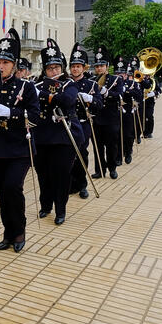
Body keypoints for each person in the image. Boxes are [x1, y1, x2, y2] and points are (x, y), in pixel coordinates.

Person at [0, 29, 38, 252]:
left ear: (14, 65)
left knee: (13, 187)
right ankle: (7, 232)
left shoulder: (26, 87)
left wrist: (12, 113)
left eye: (5, 62)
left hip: (19, 149)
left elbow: (35, 117)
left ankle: (19, 231)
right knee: (2, 192)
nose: (0, 66)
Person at [30, 38, 79, 224]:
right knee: (43, 174)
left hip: (62, 138)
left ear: (62, 68)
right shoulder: (35, 84)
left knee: (61, 176)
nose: (54, 72)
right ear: (45, 70)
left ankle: (61, 210)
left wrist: (44, 96)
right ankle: (45, 206)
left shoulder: (69, 84)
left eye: (57, 68)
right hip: (41, 137)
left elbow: (67, 101)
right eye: (50, 69)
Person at [66, 44, 102, 199]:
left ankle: (82, 185)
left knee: (81, 154)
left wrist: (91, 98)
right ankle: (71, 184)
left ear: (84, 68)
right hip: (66, 124)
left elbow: (99, 105)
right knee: (68, 155)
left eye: (78, 66)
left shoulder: (91, 85)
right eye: (73, 66)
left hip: (82, 123)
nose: (75, 69)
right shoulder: (65, 83)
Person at [90, 46, 122, 180]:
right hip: (96, 118)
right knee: (97, 146)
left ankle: (112, 168)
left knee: (111, 146)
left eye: (102, 65)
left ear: (107, 67)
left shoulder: (116, 80)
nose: (99, 68)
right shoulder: (91, 80)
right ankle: (99, 170)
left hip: (110, 118)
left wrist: (106, 92)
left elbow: (119, 96)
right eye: (97, 66)